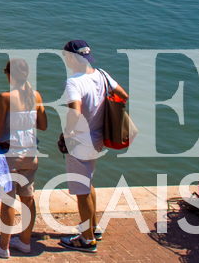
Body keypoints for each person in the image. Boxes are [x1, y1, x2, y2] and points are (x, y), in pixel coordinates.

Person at [58, 39, 126, 252]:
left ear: (71, 58)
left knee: (82, 191)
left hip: (80, 142)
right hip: (98, 139)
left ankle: (86, 240)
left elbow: (75, 112)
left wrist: (66, 134)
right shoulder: (102, 75)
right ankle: (94, 228)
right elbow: (123, 95)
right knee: (88, 184)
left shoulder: (74, 82)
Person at [0, 57, 47, 258]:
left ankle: (3, 246)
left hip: (10, 155)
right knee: (28, 199)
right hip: (31, 155)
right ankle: (25, 242)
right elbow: (43, 125)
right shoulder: (36, 96)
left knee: (8, 201)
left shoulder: (5, 98)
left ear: (10, 75)